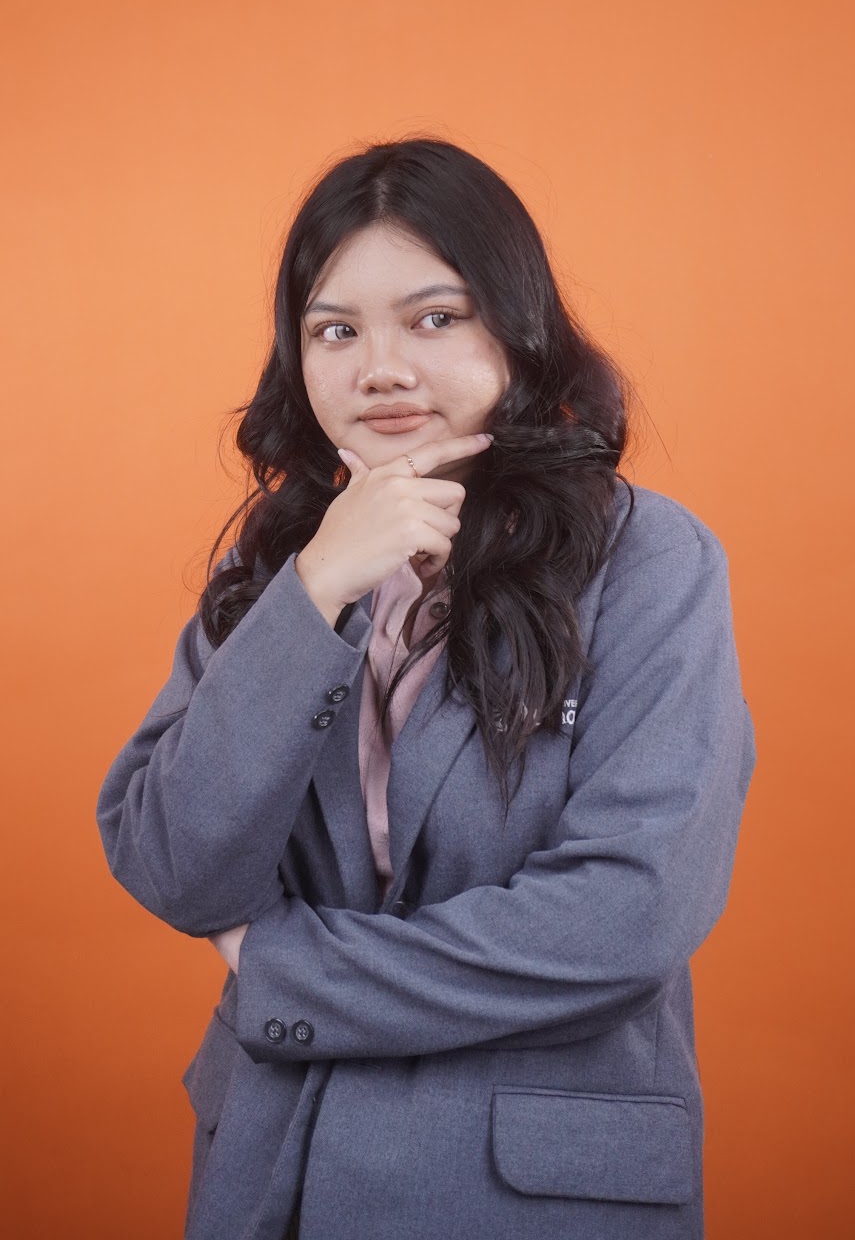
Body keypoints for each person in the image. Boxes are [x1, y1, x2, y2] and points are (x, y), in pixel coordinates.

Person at [96, 136, 756, 1240]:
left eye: (435, 318)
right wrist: (318, 590)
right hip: (277, 1178)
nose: (381, 369)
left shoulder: (648, 560)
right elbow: (174, 863)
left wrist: (288, 967)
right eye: (335, 331)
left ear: (519, 330)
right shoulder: (277, 564)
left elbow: (628, 914)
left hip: (529, 1195)